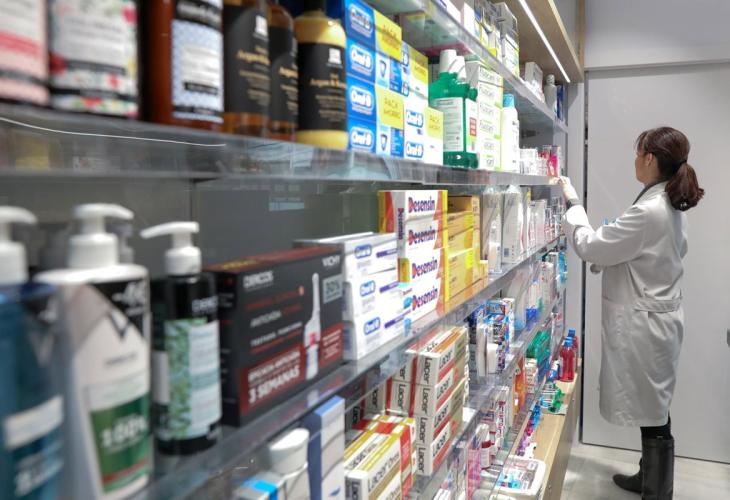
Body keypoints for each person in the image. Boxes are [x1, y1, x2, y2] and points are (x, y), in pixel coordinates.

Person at [558, 127, 704, 500]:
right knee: (654, 408)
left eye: (638, 154)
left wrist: (573, 205)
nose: (635, 161)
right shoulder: (665, 203)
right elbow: (636, 251)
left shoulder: (650, 210)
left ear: (650, 159)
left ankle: (657, 491)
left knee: (654, 413)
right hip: (656, 320)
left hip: (646, 326)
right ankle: (648, 477)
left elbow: (591, 247)